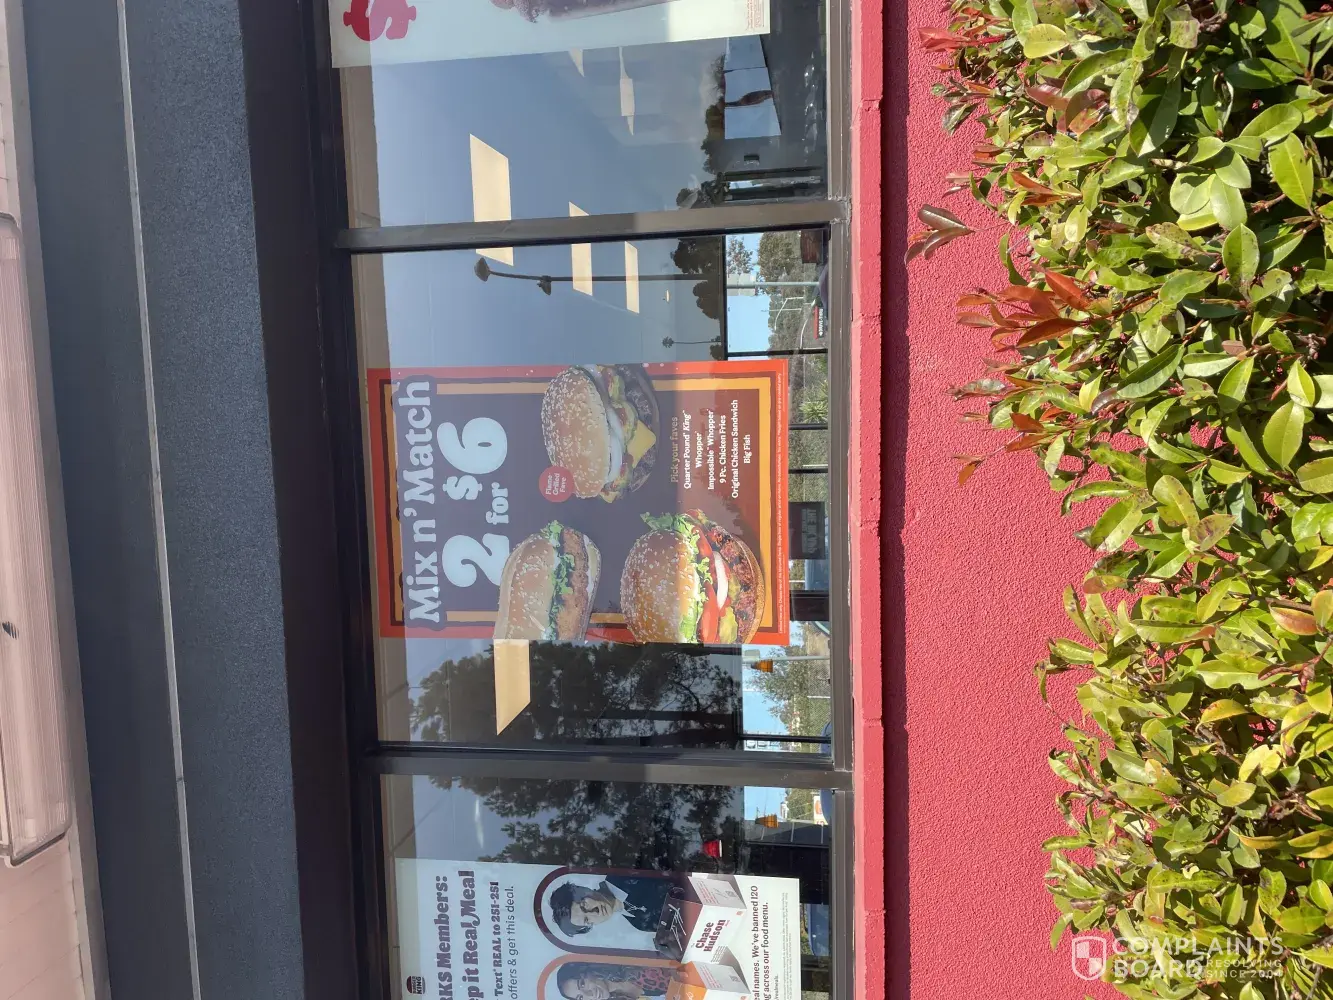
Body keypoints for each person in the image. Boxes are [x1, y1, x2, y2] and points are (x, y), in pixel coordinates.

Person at [549, 875, 677, 939]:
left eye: (584, 905)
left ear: (582, 889)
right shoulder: (639, 923)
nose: (594, 912)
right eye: (587, 920)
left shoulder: (621, 873)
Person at [554, 963, 673, 1000]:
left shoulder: (635, 967)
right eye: (580, 998)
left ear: (588, 971)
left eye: (582, 984)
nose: (589, 994)